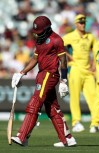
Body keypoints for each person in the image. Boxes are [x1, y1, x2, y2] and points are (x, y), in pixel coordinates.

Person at [11, 16, 76, 147]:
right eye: (36, 33)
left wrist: (64, 80)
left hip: (50, 74)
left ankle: (22, 136)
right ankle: (67, 138)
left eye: (40, 32)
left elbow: (63, 60)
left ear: (47, 29)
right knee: (52, 108)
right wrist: (21, 73)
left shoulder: (56, 39)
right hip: (42, 74)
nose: (37, 35)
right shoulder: (39, 40)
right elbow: (35, 59)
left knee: (35, 103)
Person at [62, 14, 96, 132]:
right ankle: (76, 122)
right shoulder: (69, 36)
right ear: (76, 24)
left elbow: (95, 52)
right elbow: (59, 47)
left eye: (84, 22)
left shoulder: (90, 37)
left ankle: (95, 122)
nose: (83, 24)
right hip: (75, 68)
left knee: (93, 96)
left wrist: (94, 65)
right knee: (75, 97)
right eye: (80, 22)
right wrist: (69, 57)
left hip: (87, 71)